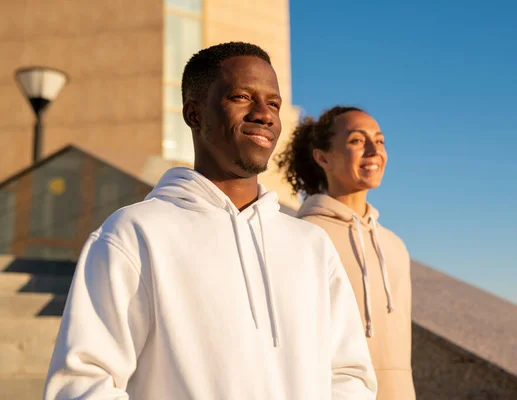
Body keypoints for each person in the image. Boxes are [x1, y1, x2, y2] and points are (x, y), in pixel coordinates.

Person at [44, 43, 376, 400]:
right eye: (242, 97)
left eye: (274, 103)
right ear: (194, 114)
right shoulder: (135, 234)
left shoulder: (310, 245)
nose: (264, 114)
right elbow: (82, 383)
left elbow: (350, 374)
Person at [278, 106, 416, 399]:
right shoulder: (304, 237)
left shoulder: (395, 247)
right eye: (356, 141)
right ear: (322, 156)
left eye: (379, 141)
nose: (373, 150)